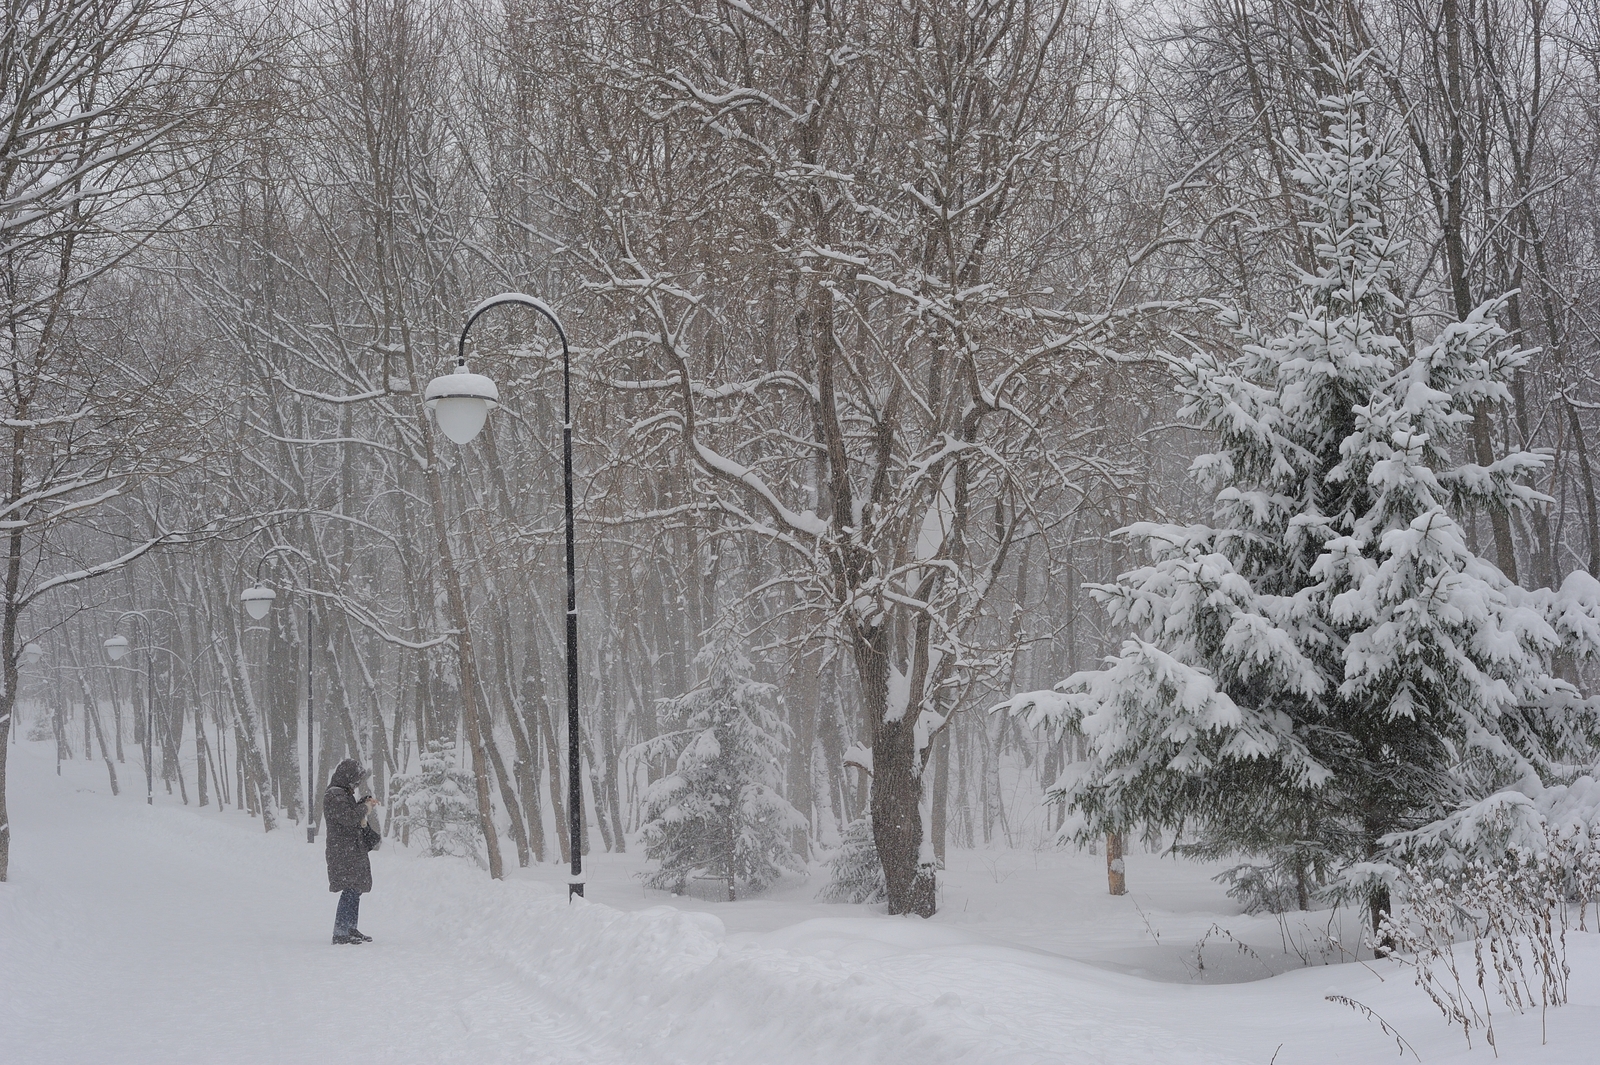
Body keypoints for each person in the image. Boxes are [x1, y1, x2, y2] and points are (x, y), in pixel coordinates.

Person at [325, 758, 378, 945]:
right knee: (349, 888)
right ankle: (340, 932)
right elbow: (347, 818)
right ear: (347, 777)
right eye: (355, 780)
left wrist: (362, 803)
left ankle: (350, 927)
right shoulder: (334, 795)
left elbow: (350, 814)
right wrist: (365, 807)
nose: (356, 784)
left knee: (355, 888)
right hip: (342, 850)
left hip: (350, 848)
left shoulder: (342, 794)